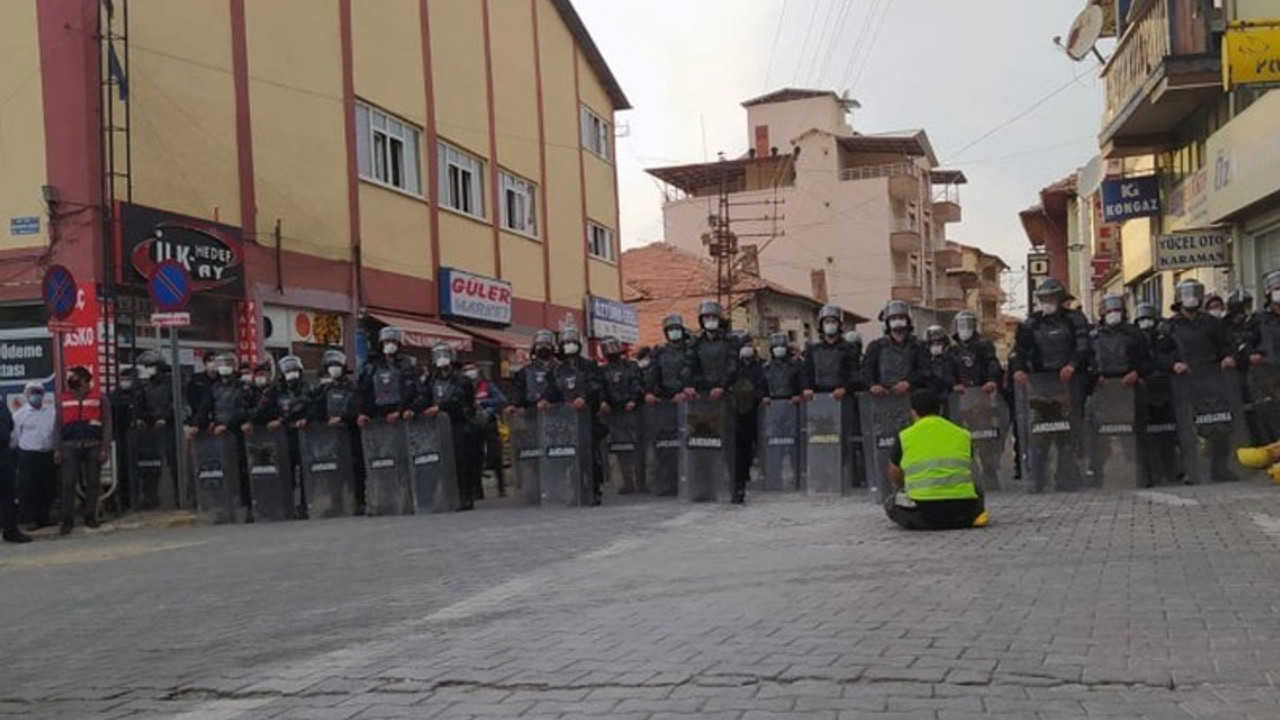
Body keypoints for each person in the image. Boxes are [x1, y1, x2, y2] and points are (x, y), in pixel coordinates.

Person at [1011, 278, 1092, 492]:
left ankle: (1067, 477)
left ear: (1060, 299)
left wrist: (1073, 365)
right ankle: (1038, 480)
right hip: (1040, 386)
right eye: (1043, 299)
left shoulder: (1074, 319)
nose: (1047, 302)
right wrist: (1018, 369)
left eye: (1051, 298)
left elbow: (1084, 346)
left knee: (1068, 432)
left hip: (1068, 384)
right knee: (1040, 433)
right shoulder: (1031, 323)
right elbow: (1019, 350)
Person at [1163, 278, 1240, 483]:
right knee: (1188, 428)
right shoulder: (1169, 327)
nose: (1191, 298)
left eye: (1195, 293)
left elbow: (1227, 344)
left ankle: (1220, 468)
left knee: (1220, 424)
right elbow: (1160, 354)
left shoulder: (1212, 323)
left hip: (1214, 378)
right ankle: (1192, 470)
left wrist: (1228, 356)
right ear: (1179, 298)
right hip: (1186, 382)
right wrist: (1174, 364)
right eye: (1187, 294)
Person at [885, 389, 987, 531]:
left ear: (913, 412)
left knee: (890, 502)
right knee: (977, 490)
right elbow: (967, 465)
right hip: (963, 512)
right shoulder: (963, 434)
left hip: (924, 513)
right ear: (940, 409)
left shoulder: (905, 436)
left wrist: (906, 486)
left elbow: (894, 473)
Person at [1087, 295, 1151, 486]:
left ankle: (1141, 475)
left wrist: (1136, 373)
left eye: (1117, 310)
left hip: (1129, 389)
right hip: (1103, 390)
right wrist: (1094, 377)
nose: (1113, 314)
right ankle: (1097, 476)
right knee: (1099, 437)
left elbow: (1148, 360)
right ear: (1101, 313)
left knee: (1136, 435)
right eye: (1109, 310)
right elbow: (1086, 362)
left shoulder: (1135, 334)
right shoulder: (1094, 337)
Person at [189, 352, 254, 520]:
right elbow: (205, 407)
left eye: (228, 364)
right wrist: (196, 425)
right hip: (219, 436)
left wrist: (228, 425)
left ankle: (247, 507)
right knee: (223, 470)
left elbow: (243, 410)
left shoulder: (242, 387)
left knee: (242, 470)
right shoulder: (214, 388)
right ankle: (225, 506)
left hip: (237, 433)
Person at [419, 343, 482, 511]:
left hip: (459, 424)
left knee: (461, 461)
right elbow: (424, 397)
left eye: (444, 354)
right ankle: (440, 497)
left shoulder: (461, 379)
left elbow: (459, 397)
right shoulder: (432, 380)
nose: (442, 359)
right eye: (438, 355)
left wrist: (440, 407)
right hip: (437, 426)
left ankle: (465, 497)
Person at [249, 355, 312, 518]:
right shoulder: (276, 390)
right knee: (284, 472)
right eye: (288, 371)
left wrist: (282, 420)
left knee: (305, 472)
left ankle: (305, 506)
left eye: (294, 370)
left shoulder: (305, 387)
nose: (291, 374)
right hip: (282, 438)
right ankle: (286, 506)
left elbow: (303, 404)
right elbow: (263, 409)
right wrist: (251, 422)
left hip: (302, 435)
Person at [550, 327, 606, 505]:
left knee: (590, 455)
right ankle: (576, 491)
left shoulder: (589, 365)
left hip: (587, 418)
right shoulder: (559, 370)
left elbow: (596, 385)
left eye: (572, 342)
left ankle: (595, 490)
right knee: (571, 457)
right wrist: (546, 400)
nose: (569, 346)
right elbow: (552, 390)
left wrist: (584, 397)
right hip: (567, 420)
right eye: (566, 343)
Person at [308, 349, 366, 512]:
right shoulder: (325, 390)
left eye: (336, 365)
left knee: (356, 469)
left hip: (350, 434)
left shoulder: (352, 388)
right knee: (333, 470)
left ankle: (359, 501)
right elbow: (316, 409)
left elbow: (358, 407)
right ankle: (336, 502)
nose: (334, 369)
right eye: (330, 366)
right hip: (331, 437)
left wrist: (343, 418)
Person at [56, 366, 112, 534]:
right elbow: (57, 426)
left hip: (93, 445)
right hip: (69, 445)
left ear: (86, 381)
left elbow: (107, 423)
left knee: (93, 482)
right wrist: (57, 449)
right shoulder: (63, 398)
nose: (72, 380)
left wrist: (105, 447)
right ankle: (67, 520)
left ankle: (90, 517)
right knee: (68, 483)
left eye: (76, 378)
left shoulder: (99, 398)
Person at [1135, 302, 1178, 486]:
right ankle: (1149, 473)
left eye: (1149, 318)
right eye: (1142, 319)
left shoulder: (1166, 338)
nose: (1146, 322)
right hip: (1143, 391)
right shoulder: (1134, 339)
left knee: (1168, 434)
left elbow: (1172, 356)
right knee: (1146, 437)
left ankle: (1172, 471)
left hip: (1166, 389)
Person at [599, 336, 646, 494]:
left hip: (632, 411)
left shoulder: (631, 366)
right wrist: (603, 401)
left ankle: (641, 482)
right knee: (620, 449)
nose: (611, 352)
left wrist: (634, 399)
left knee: (638, 447)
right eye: (607, 349)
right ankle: (627, 482)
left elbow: (638, 384)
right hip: (614, 414)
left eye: (614, 348)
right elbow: (601, 389)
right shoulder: (603, 371)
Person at [131, 350, 178, 509]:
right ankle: (150, 498)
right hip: (149, 429)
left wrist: (165, 418)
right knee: (149, 463)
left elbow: (175, 404)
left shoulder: (170, 383)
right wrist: (139, 418)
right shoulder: (143, 384)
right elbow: (139, 404)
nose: (146, 369)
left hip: (168, 427)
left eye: (150, 366)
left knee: (173, 462)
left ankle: (178, 497)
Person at [11, 382, 57, 530]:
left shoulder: (51, 412)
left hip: (47, 454)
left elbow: (55, 433)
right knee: (28, 489)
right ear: (26, 394)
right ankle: (28, 519)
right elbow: (15, 436)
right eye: (32, 392)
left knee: (47, 488)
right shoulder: (19, 415)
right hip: (28, 455)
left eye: (38, 392)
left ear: (43, 394)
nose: (35, 395)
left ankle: (44, 518)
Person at [864, 300, 928, 397]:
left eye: (901, 317)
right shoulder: (876, 346)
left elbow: (924, 370)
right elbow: (866, 370)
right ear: (887, 322)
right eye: (893, 318)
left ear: (908, 321)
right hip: (882, 399)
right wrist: (872, 385)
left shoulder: (918, 346)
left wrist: (909, 383)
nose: (897, 320)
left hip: (911, 397)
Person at [357, 327, 420, 427]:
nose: (390, 344)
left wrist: (401, 411)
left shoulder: (407, 364)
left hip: (399, 416)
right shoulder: (372, 365)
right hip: (377, 416)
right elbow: (364, 390)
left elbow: (412, 390)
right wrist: (362, 413)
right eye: (387, 341)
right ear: (381, 343)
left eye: (393, 341)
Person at [728, 340, 765, 504]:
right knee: (735, 450)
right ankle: (736, 484)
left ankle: (741, 482)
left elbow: (762, 388)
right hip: (732, 412)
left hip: (751, 413)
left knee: (747, 449)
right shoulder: (733, 367)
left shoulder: (759, 369)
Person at [467, 362, 508, 497]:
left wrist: (484, 404)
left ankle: (501, 487)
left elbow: (501, 399)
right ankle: (478, 491)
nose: (469, 372)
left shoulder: (487, 385)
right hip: (472, 425)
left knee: (495, 455)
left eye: (471, 369)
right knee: (475, 457)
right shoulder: (464, 387)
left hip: (489, 423)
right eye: (466, 370)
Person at [688, 300, 738, 399]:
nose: (710, 320)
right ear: (701, 320)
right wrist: (690, 386)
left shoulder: (729, 342)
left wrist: (721, 386)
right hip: (702, 393)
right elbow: (691, 365)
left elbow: (732, 366)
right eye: (707, 317)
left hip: (726, 392)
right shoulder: (696, 343)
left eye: (714, 317)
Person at [0, 400, 32, 543]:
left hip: (4, 453)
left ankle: (10, 530)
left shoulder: (1, 404)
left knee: (8, 495)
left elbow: (10, 424)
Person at [949, 311, 1002, 394]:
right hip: (960, 394)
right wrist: (953, 384)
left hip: (982, 390)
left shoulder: (984, 345)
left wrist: (992, 380)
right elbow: (948, 369)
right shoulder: (953, 349)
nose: (965, 328)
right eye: (961, 325)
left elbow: (992, 363)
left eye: (968, 325)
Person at [645, 315, 693, 403]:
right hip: (665, 398)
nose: (674, 332)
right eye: (671, 330)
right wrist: (649, 392)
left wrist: (687, 391)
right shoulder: (659, 352)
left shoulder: (690, 350)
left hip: (687, 397)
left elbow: (695, 372)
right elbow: (653, 374)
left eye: (677, 329)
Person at [509, 330, 559, 412]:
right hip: (532, 415)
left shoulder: (561, 369)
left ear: (552, 347)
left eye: (547, 344)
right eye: (539, 344)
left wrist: (548, 400)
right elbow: (519, 390)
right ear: (534, 348)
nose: (543, 347)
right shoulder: (526, 370)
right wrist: (514, 404)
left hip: (557, 414)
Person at [110, 367, 137, 512]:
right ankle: (123, 500)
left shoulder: (138, 394)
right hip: (120, 436)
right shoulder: (114, 396)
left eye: (128, 379)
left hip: (137, 436)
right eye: (123, 379)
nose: (125, 382)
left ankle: (135, 498)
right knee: (121, 468)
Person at [922, 325, 956, 403]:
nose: (936, 346)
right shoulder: (923, 362)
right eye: (932, 344)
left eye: (939, 343)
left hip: (949, 401)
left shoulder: (951, 360)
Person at [186, 350, 218, 421]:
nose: (213, 363)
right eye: (210, 360)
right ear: (205, 363)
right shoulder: (197, 379)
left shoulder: (221, 379)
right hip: (200, 418)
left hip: (217, 419)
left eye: (215, 361)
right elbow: (191, 398)